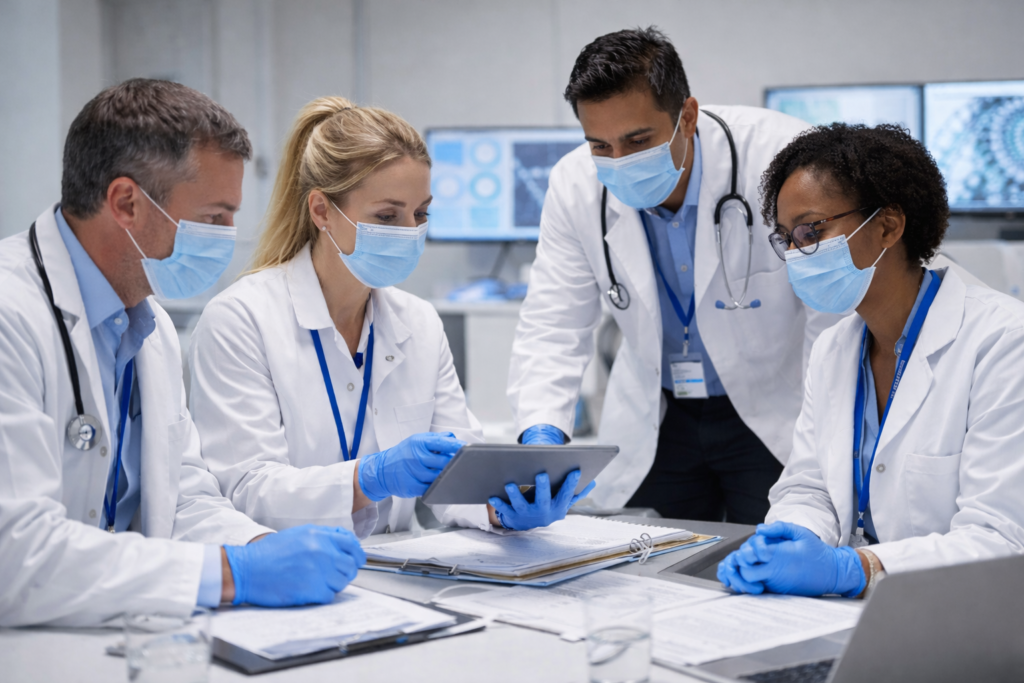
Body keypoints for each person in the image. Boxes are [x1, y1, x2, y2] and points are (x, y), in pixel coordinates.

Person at [0, 80, 367, 627]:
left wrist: (259, 544)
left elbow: (182, 497)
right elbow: (16, 555)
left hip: (117, 630)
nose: (226, 237)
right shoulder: (12, 316)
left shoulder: (151, 328)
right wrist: (231, 573)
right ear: (126, 202)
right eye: (214, 218)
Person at [188, 97, 593, 536]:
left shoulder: (418, 322)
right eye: (387, 215)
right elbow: (245, 490)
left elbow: (459, 474)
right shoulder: (241, 319)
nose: (409, 232)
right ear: (322, 210)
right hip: (291, 572)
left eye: (420, 214)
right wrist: (368, 478)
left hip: (398, 571)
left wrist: (503, 507)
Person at [508, 27, 838, 523]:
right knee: (651, 572)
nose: (619, 161)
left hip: (775, 408)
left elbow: (829, 313)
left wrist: (823, 431)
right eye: (600, 145)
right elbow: (553, 325)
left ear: (687, 116)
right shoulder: (575, 185)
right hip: (661, 413)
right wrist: (542, 437)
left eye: (638, 140)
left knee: (774, 560)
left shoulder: (783, 158)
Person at [718, 123, 1024, 598]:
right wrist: (788, 538)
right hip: (850, 611)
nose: (797, 254)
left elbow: (1001, 538)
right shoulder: (835, 349)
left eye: (811, 230)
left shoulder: (1003, 342)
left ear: (888, 225)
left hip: (963, 615)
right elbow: (809, 486)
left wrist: (854, 568)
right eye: (786, 239)